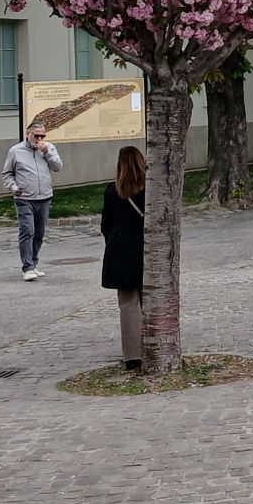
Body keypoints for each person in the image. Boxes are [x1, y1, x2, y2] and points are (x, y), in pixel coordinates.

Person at [100, 145, 147, 371]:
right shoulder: (151, 189)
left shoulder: (112, 191)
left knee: (128, 304)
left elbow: (105, 225)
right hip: (147, 249)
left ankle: (132, 356)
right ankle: (154, 346)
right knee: (150, 299)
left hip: (120, 252)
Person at [3, 123, 62, 281]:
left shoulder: (49, 148)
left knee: (39, 233)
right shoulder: (15, 151)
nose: (39, 139)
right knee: (27, 231)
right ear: (28, 135)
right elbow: (7, 173)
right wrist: (13, 186)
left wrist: (47, 153)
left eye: (43, 136)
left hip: (44, 197)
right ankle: (28, 267)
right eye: (36, 136)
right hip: (24, 198)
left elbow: (58, 167)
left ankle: (34, 263)